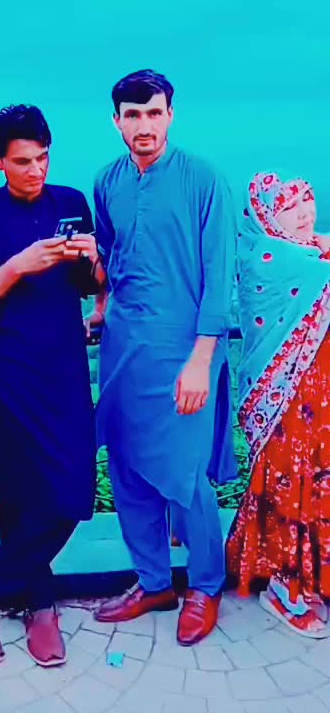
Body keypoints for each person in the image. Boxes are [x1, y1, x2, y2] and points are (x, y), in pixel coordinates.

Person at [89, 69, 237, 645]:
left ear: (170, 114)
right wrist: (101, 305)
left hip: (185, 351)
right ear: (116, 121)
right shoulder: (107, 181)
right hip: (124, 348)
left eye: (154, 113)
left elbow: (219, 276)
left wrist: (201, 359)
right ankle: (153, 582)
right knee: (127, 468)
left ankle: (204, 585)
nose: (144, 125)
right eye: (133, 115)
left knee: (185, 473)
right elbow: (112, 257)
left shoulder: (204, 180)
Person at [0, 104, 100, 668]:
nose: (36, 170)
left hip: (65, 364)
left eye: (42, 158)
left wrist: (91, 258)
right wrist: (18, 264)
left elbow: (88, 284)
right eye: (22, 162)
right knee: (18, 493)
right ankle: (39, 604)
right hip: (10, 369)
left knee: (73, 490)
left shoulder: (71, 202)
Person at [227, 171, 330, 637]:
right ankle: (284, 586)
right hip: (286, 405)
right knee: (291, 488)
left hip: (318, 399)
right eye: (290, 207)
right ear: (268, 218)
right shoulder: (270, 259)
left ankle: (313, 579)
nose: (305, 214)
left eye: (308, 201)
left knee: (317, 483)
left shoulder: (306, 254)